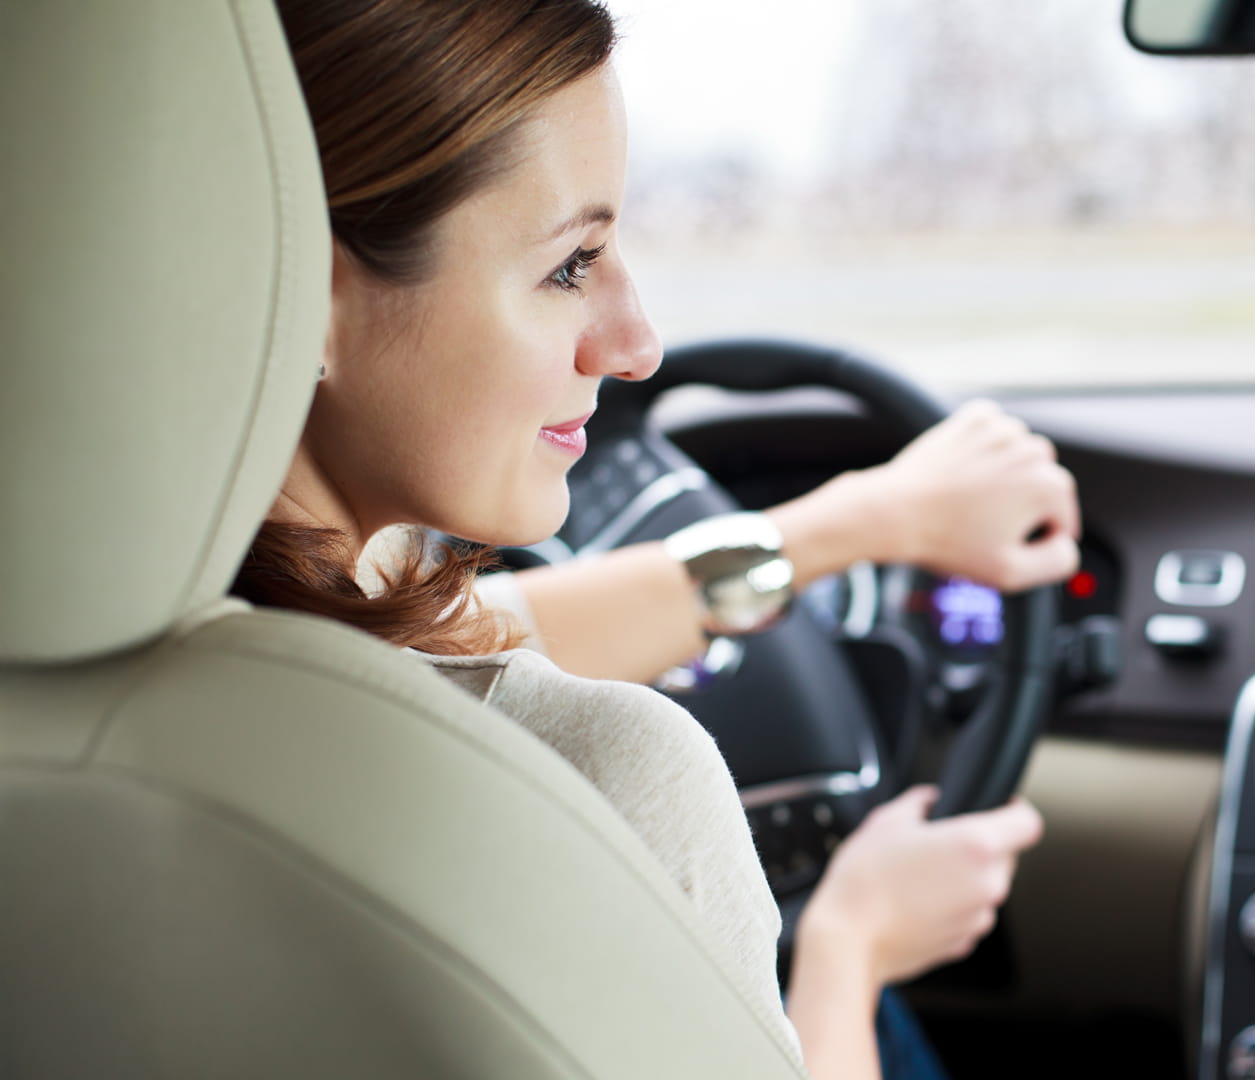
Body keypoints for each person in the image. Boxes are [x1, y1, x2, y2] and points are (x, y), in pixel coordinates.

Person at [238, 3, 1079, 1079]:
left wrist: (866, 523)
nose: (638, 345)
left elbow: (500, 635)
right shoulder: (613, 780)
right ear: (315, 293)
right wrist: (849, 951)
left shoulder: (198, 625)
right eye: (571, 266)